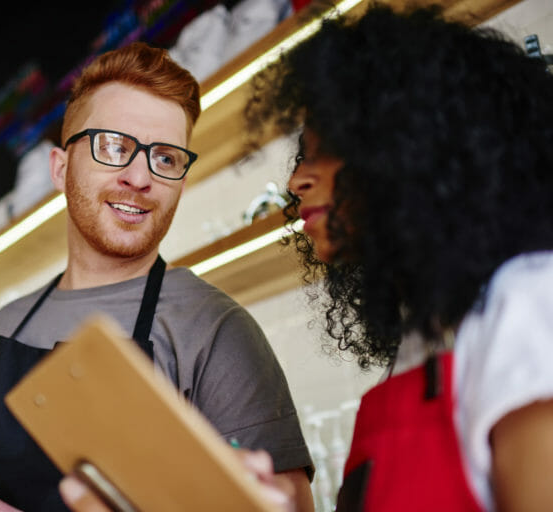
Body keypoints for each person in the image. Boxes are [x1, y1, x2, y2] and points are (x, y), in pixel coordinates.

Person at [56, 4, 553, 512]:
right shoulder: (419, 346)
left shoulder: (530, 306)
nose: (297, 181)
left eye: (324, 151)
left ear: (420, 148)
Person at [0, 41, 314, 511]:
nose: (140, 178)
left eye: (165, 158)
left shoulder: (215, 331)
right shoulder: (0, 331)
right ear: (61, 169)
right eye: (114, 147)